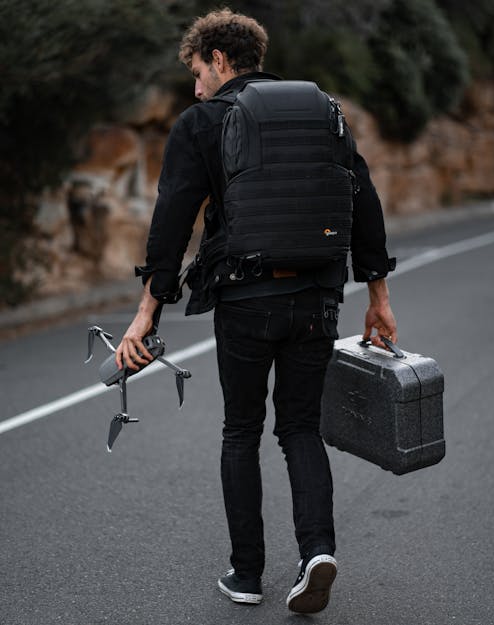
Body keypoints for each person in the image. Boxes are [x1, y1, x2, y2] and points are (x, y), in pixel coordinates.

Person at [115, 8, 397, 615]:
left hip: (244, 299)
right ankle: (317, 551)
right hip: (319, 296)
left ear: (220, 59)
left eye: (197, 71)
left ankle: (246, 574)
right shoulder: (323, 112)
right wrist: (378, 297)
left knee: (241, 431)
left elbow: (171, 223)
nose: (194, 87)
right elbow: (363, 198)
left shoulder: (202, 122)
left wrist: (147, 314)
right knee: (300, 428)